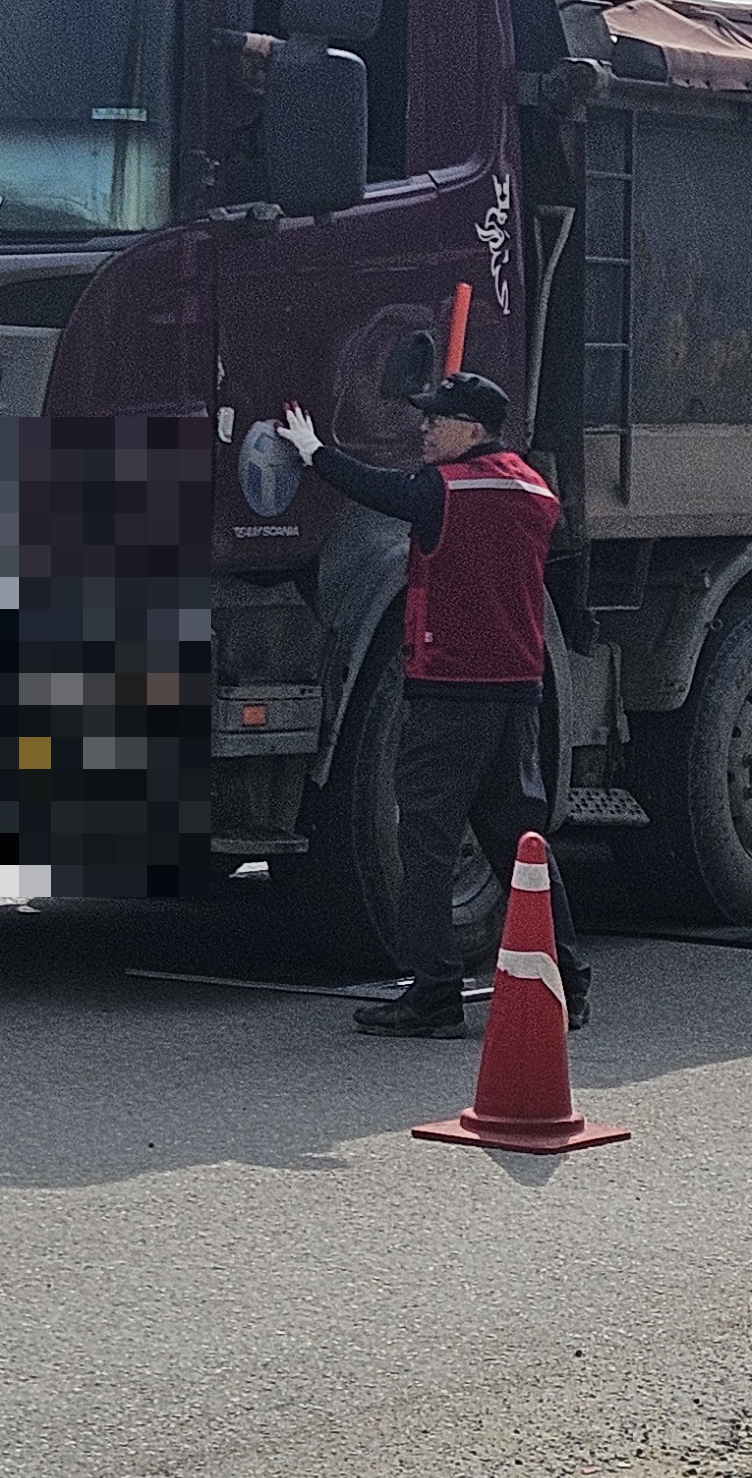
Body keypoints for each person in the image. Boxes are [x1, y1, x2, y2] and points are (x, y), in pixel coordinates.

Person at [275, 373, 587, 1039]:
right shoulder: (535, 490)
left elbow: (378, 490)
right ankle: (570, 979)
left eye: (437, 420)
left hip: (451, 692)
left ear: (473, 429)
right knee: (519, 843)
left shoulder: (445, 491)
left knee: (425, 843)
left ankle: (434, 992)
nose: (423, 429)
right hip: (517, 693)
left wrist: (314, 451)